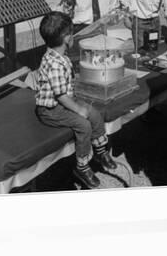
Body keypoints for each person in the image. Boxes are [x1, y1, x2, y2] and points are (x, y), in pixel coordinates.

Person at [35, 11, 116, 189]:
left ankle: (100, 152)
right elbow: (61, 95)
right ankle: (82, 167)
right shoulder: (54, 63)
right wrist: (78, 110)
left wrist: (83, 107)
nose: (74, 36)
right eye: (72, 33)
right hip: (51, 110)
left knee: (94, 113)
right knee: (83, 124)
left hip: (65, 101)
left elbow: (66, 92)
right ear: (66, 38)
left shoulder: (58, 55)